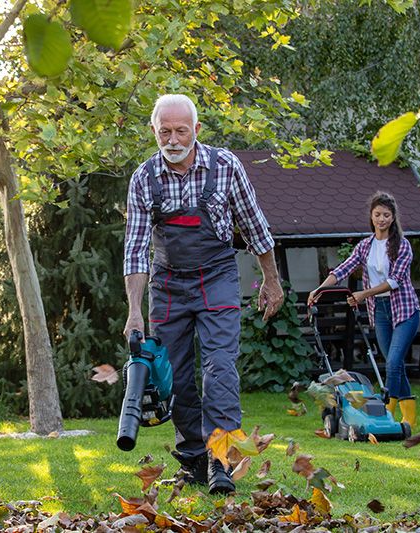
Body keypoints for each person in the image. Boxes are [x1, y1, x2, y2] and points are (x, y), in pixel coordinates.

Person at [123, 94, 283, 494]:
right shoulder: (144, 178)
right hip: (168, 284)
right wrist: (134, 311)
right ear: (154, 132)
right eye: (165, 131)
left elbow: (254, 226)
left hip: (217, 276)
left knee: (220, 368)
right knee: (173, 376)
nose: (173, 139)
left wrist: (271, 280)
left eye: (181, 131)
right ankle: (194, 458)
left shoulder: (225, 166)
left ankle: (221, 460)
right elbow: (136, 249)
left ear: (196, 130)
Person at [307, 191, 420, 427]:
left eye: (386, 215)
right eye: (377, 214)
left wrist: (362, 294)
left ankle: (385, 412)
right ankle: (409, 416)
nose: (381, 219)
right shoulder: (365, 246)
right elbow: (342, 270)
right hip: (379, 311)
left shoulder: (402, 245)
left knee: (392, 363)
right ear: (371, 216)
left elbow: (394, 281)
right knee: (394, 363)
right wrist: (318, 289)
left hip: (405, 311)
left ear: (393, 218)